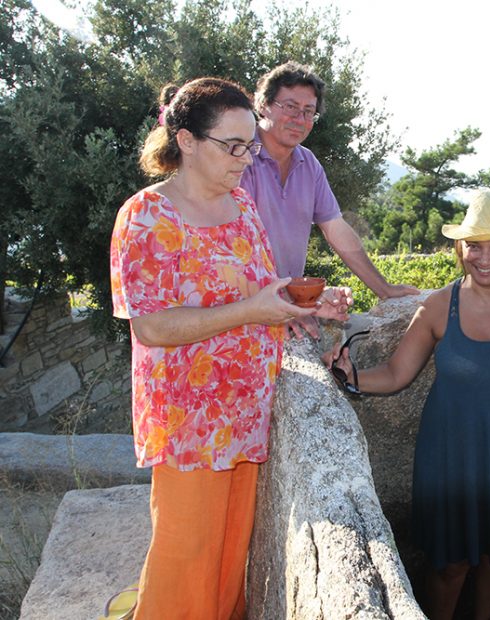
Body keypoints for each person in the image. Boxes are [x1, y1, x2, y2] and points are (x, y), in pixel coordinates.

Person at [109, 77, 350, 619]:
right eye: (233, 146)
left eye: (250, 146)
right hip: (188, 418)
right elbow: (152, 328)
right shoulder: (146, 216)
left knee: (228, 552)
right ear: (188, 141)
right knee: (186, 552)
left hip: (245, 407)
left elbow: (261, 290)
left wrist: (310, 305)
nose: (247, 158)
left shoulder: (241, 206)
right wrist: (252, 311)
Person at [324, 191, 490, 620]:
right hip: (451, 455)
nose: (485, 258)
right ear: (459, 249)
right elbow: (395, 375)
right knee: (450, 566)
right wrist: (346, 377)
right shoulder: (438, 305)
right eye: (474, 246)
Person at [241, 61, 418, 337]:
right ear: (263, 105)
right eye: (289, 107)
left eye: (308, 111)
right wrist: (276, 306)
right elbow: (231, 244)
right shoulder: (239, 156)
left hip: (287, 309)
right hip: (244, 312)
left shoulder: (308, 164)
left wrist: (384, 289)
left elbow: (337, 230)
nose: (299, 118)